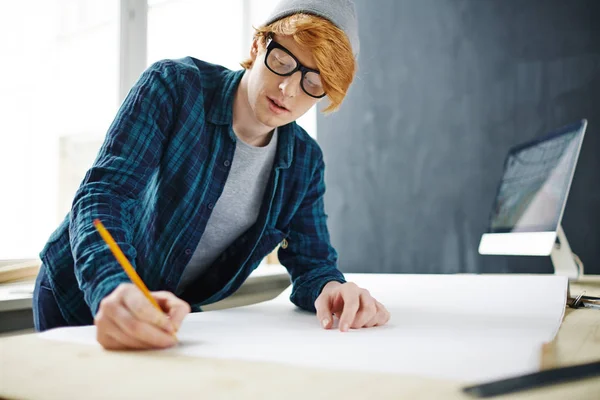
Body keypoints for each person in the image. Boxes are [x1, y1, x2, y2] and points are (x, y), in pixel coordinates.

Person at [33, 0, 390, 350]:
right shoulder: (174, 87)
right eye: (282, 62)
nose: (288, 90)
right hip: (78, 293)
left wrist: (332, 288)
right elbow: (104, 194)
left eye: (312, 83)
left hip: (168, 313)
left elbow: (312, 263)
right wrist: (113, 287)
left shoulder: (305, 162)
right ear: (258, 44)